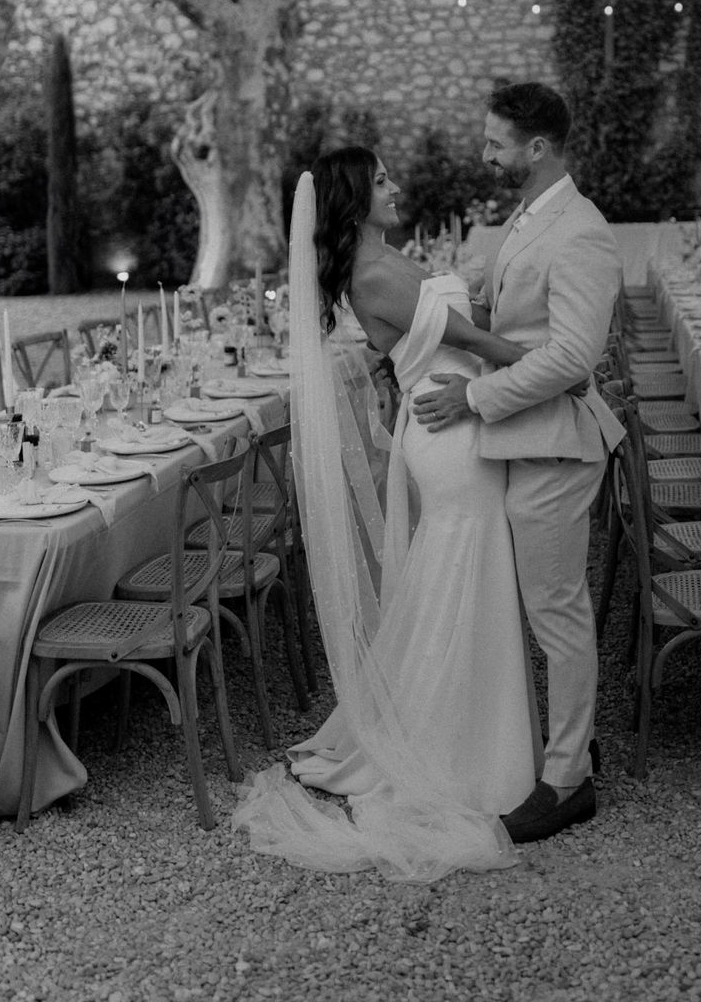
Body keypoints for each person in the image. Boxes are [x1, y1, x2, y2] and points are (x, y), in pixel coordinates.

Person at [233, 147, 550, 881]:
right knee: (462, 573)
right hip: (451, 431)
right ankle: (458, 749)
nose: (397, 185)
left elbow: (458, 323)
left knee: (459, 575)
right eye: (382, 181)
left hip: (457, 419)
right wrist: (556, 372)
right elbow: (468, 340)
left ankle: (467, 729)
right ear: (354, 199)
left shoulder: (386, 258)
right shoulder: (374, 272)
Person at [411, 82, 625, 844]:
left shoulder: (582, 231)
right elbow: (511, 313)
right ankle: (570, 740)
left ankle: (568, 780)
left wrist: (475, 399)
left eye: (497, 141)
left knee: (556, 614)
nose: (486, 152)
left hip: (555, 444)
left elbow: (572, 356)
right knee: (545, 607)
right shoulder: (530, 218)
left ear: (538, 149)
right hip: (527, 440)